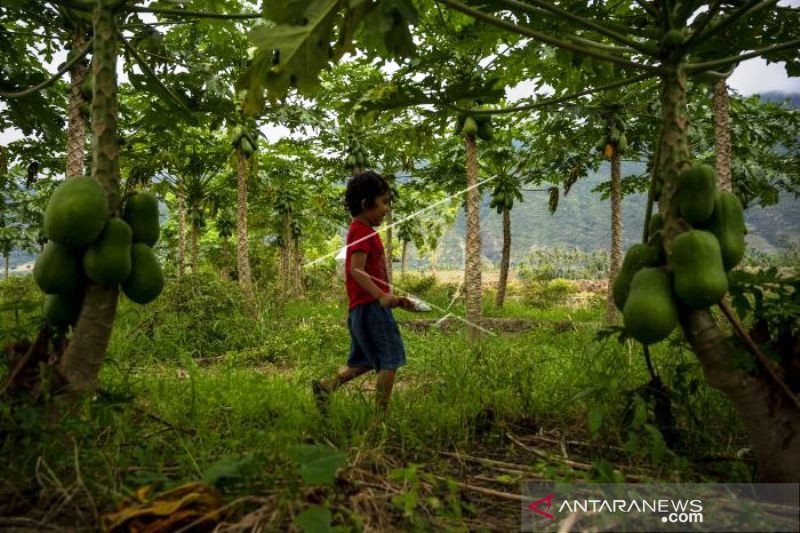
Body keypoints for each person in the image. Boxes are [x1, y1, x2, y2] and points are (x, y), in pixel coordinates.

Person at [312, 171, 412, 416]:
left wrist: (394, 298)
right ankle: (380, 418)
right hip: (370, 308)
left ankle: (327, 387)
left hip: (363, 308)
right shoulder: (362, 231)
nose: (387, 209)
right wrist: (380, 296)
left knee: (366, 361)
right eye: (384, 202)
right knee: (390, 359)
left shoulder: (362, 230)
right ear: (367, 204)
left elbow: (366, 273)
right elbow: (356, 271)